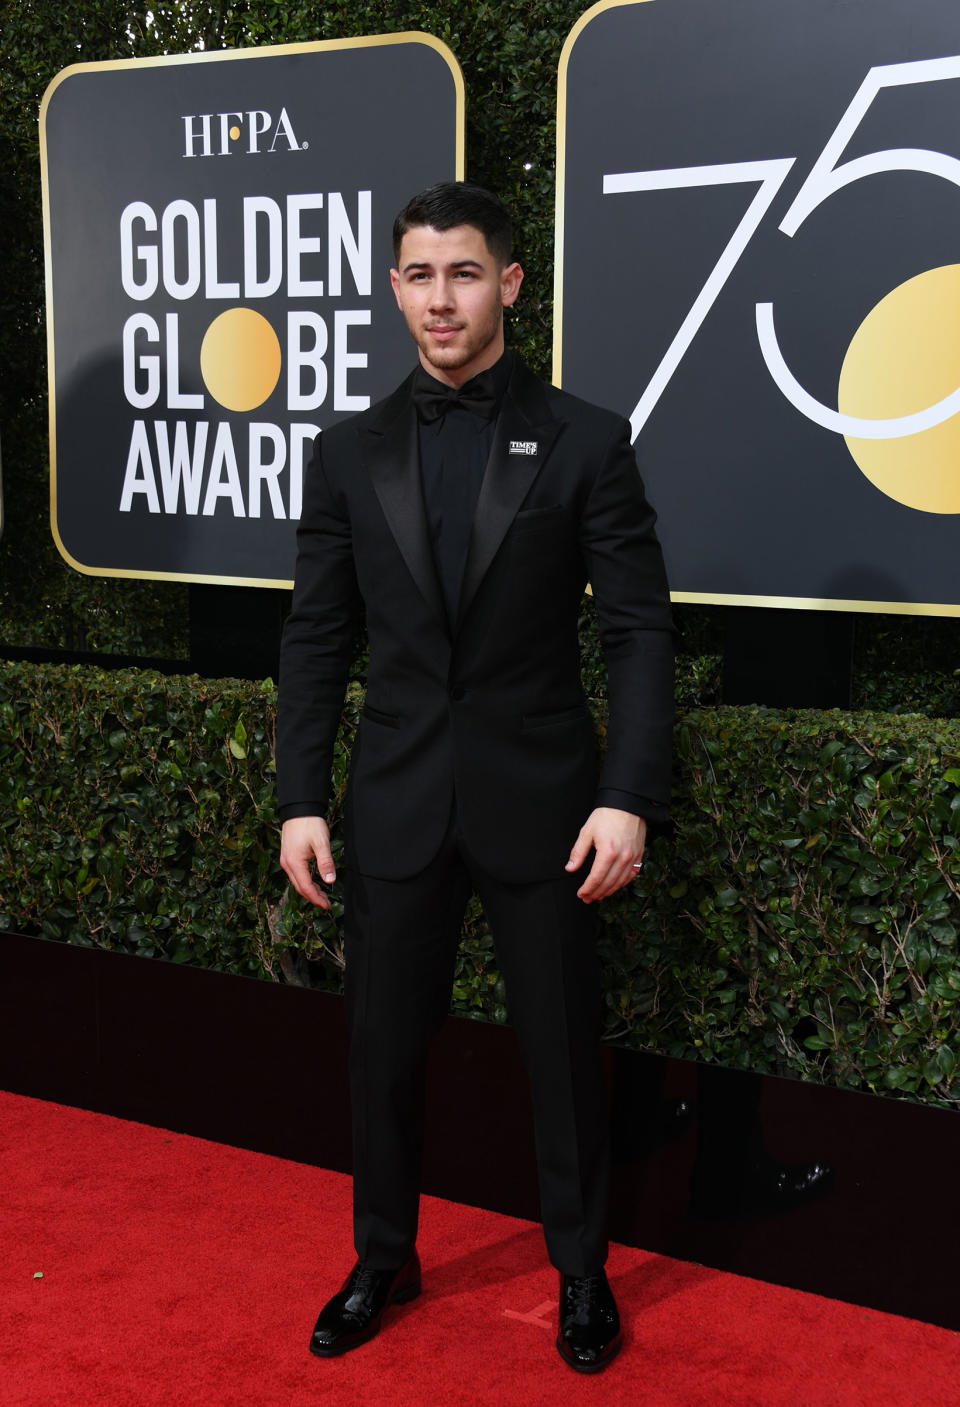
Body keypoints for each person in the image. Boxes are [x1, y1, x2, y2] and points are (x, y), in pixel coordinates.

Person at [276, 181, 675, 1373]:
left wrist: (629, 791)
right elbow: (315, 634)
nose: (440, 298)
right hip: (394, 798)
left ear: (507, 283)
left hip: (545, 803)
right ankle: (380, 1257)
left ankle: (580, 1270)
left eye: (463, 273)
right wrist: (300, 793)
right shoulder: (345, 452)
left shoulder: (588, 440)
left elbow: (639, 630)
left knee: (561, 1050)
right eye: (418, 275)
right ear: (393, 287)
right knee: (382, 1050)